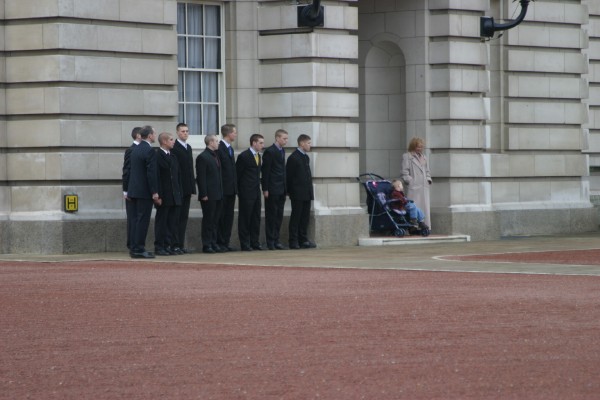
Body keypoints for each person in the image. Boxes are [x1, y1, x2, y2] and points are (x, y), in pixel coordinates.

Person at [127, 125, 160, 258]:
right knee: (142, 220)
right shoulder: (149, 151)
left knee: (135, 220)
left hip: (134, 190)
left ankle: (134, 247)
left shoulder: (135, 149)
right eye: (154, 133)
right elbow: (151, 174)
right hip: (144, 191)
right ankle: (139, 248)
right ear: (150, 136)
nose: (155, 136)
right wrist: (154, 192)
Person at [154, 132, 183, 256]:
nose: (174, 142)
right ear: (164, 141)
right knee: (162, 223)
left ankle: (169, 245)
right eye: (171, 140)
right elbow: (156, 177)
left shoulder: (174, 157)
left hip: (174, 195)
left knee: (172, 223)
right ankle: (160, 246)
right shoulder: (156, 156)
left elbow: (178, 177)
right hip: (164, 196)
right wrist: (157, 195)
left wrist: (179, 193)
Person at [286, 134, 316, 249]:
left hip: (306, 192)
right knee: (296, 217)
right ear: (302, 143)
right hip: (297, 193)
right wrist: (289, 191)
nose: (310, 145)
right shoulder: (293, 157)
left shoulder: (305, 157)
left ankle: (303, 239)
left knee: (305, 217)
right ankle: (293, 240)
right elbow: (289, 176)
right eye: (308, 143)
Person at [236, 133, 265, 251]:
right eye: (261, 143)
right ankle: (245, 243)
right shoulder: (244, 156)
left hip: (256, 192)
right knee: (245, 218)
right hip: (246, 192)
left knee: (256, 217)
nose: (263, 145)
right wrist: (239, 191)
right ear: (254, 143)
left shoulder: (259, 156)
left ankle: (255, 242)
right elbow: (238, 174)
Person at [170, 123, 196, 253]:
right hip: (179, 188)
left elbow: (190, 169)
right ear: (177, 133)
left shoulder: (189, 147)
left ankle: (180, 244)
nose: (185, 133)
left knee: (183, 217)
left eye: (187, 131)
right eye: (182, 131)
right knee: (176, 217)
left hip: (187, 188)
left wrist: (192, 188)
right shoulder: (174, 147)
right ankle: (174, 244)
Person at [196, 134, 223, 254]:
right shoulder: (203, 157)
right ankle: (206, 244)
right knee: (208, 220)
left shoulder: (215, 155)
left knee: (215, 220)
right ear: (210, 142)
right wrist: (203, 194)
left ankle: (213, 242)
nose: (218, 143)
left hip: (218, 193)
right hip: (209, 195)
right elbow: (201, 178)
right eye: (216, 141)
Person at [261, 129, 288, 250]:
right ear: (277, 138)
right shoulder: (270, 151)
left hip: (281, 188)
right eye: (284, 138)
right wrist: (265, 189)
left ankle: (276, 239)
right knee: (271, 215)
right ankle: (270, 241)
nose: (286, 141)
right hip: (272, 188)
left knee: (279, 215)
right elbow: (266, 171)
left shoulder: (282, 150)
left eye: (286, 138)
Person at [401, 137, 432, 228]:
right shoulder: (407, 156)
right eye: (418, 147)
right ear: (413, 146)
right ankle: (413, 227)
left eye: (421, 147)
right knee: (414, 207)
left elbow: (427, 170)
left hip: (424, 186)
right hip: (414, 186)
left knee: (425, 208)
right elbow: (404, 172)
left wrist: (428, 179)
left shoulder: (424, 157)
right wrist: (411, 181)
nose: (420, 149)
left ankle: (425, 226)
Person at [216, 124, 238, 252]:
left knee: (229, 216)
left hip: (231, 189)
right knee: (222, 216)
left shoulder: (230, 148)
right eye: (234, 132)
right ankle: (220, 241)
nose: (235, 134)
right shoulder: (220, 148)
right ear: (228, 133)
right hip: (223, 188)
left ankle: (226, 241)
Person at [122, 126, 142, 251]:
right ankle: (132, 244)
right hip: (132, 190)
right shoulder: (131, 150)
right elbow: (126, 171)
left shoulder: (141, 149)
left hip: (138, 190)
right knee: (133, 218)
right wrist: (126, 190)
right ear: (138, 135)